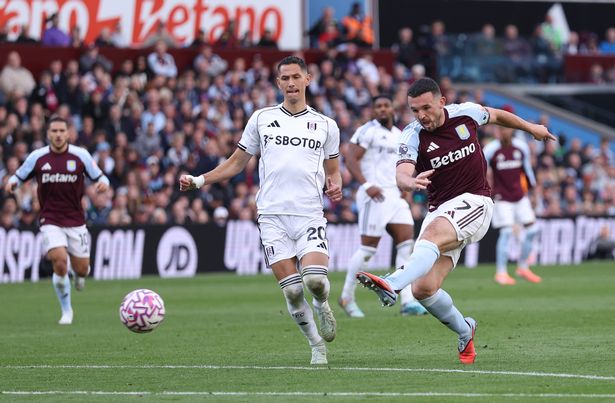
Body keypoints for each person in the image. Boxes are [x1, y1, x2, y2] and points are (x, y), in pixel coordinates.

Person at [356, 77, 556, 364]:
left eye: (426, 108)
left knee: (430, 239)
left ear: (441, 102)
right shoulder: (412, 135)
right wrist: (410, 182)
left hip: (476, 202)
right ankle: (465, 330)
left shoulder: (466, 113)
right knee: (423, 289)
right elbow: (401, 174)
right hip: (440, 211)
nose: (421, 115)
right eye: (415, 110)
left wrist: (531, 127)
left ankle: (392, 284)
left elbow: (498, 115)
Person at [180, 56, 341, 365]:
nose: (291, 83)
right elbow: (236, 163)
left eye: (296, 77)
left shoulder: (326, 125)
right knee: (292, 291)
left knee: (315, 282)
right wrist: (199, 180)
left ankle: (322, 304)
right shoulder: (262, 119)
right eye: (285, 78)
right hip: (271, 216)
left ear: (307, 79)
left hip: (309, 213)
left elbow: (334, 171)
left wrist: (335, 186)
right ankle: (316, 345)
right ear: (278, 83)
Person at [4, 115, 110, 325]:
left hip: (76, 220)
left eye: (62, 131)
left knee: (82, 269)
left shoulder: (80, 155)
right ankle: (66, 311)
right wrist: (12, 182)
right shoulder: (38, 157)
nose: (58, 135)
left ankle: (79, 276)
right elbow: (19, 176)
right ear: (48, 134)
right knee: (60, 262)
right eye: (54, 131)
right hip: (50, 218)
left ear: (68, 133)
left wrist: (103, 183)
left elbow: (100, 176)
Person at [339, 94, 427, 318]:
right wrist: (367, 185)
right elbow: (350, 158)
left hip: (395, 195)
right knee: (368, 249)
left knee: (406, 245)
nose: (382, 109)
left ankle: (407, 301)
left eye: (386, 105)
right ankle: (347, 297)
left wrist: (404, 188)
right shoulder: (367, 131)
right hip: (374, 194)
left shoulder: (399, 134)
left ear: (392, 109)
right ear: (372, 110)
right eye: (378, 106)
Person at [483, 125, 542, 285]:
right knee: (507, 232)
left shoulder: (521, 147)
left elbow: (527, 170)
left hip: (520, 196)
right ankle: (501, 272)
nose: (504, 132)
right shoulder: (491, 149)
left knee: (533, 230)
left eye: (506, 129)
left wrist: (533, 193)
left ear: (512, 130)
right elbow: (482, 170)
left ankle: (523, 267)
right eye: (501, 129)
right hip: (502, 198)